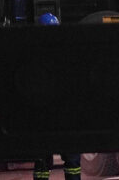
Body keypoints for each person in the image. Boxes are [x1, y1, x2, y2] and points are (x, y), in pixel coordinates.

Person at [33, 13, 82, 180]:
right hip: (63, 115)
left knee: (43, 160)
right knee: (71, 160)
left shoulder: (33, 53)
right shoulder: (68, 52)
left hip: (45, 115)